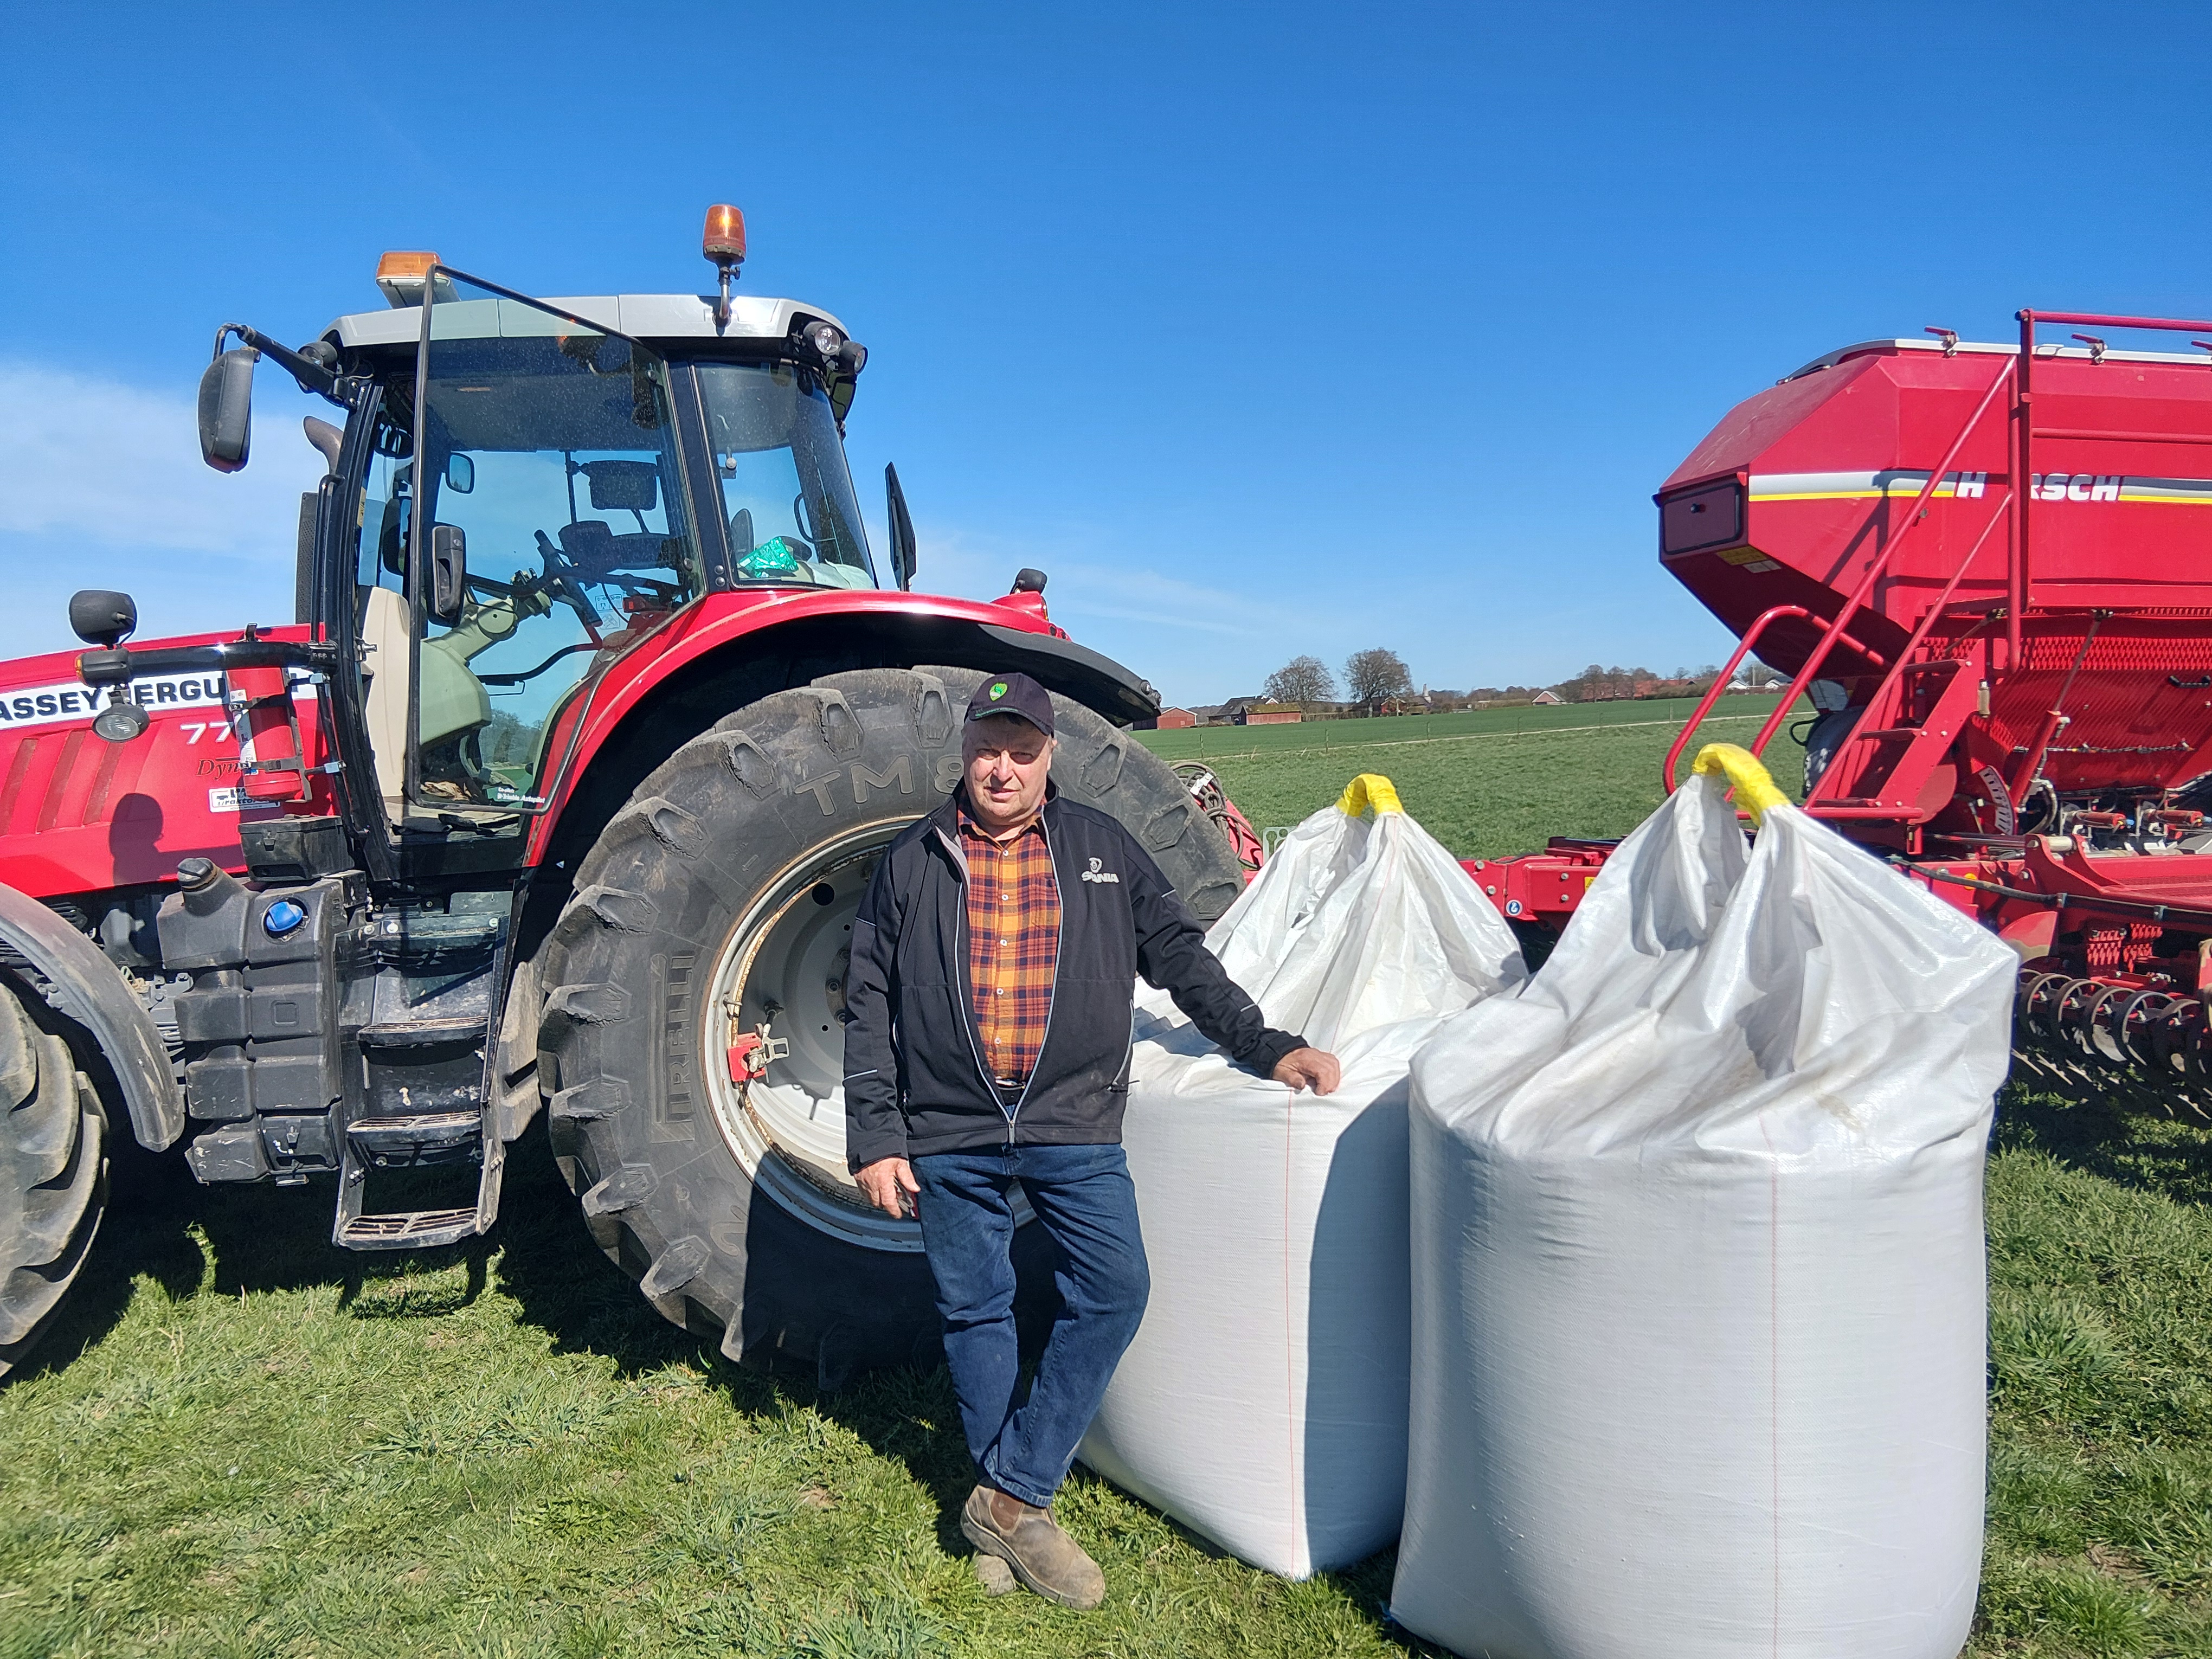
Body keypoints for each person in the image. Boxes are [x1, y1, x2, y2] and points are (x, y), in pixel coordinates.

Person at [843, 672, 1341, 1610]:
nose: (1002, 768)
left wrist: (1266, 1046)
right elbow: (866, 1003)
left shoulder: (1102, 849)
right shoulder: (912, 859)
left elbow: (1184, 960)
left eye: (1021, 751)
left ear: (1048, 758)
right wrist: (876, 1136)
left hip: (1072, 1122)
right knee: (975, 1311)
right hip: (948, 1130)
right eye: (988, 749)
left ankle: (1009, 1495)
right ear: (965, 753)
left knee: (1116, 1289)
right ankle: (1009, 1512)